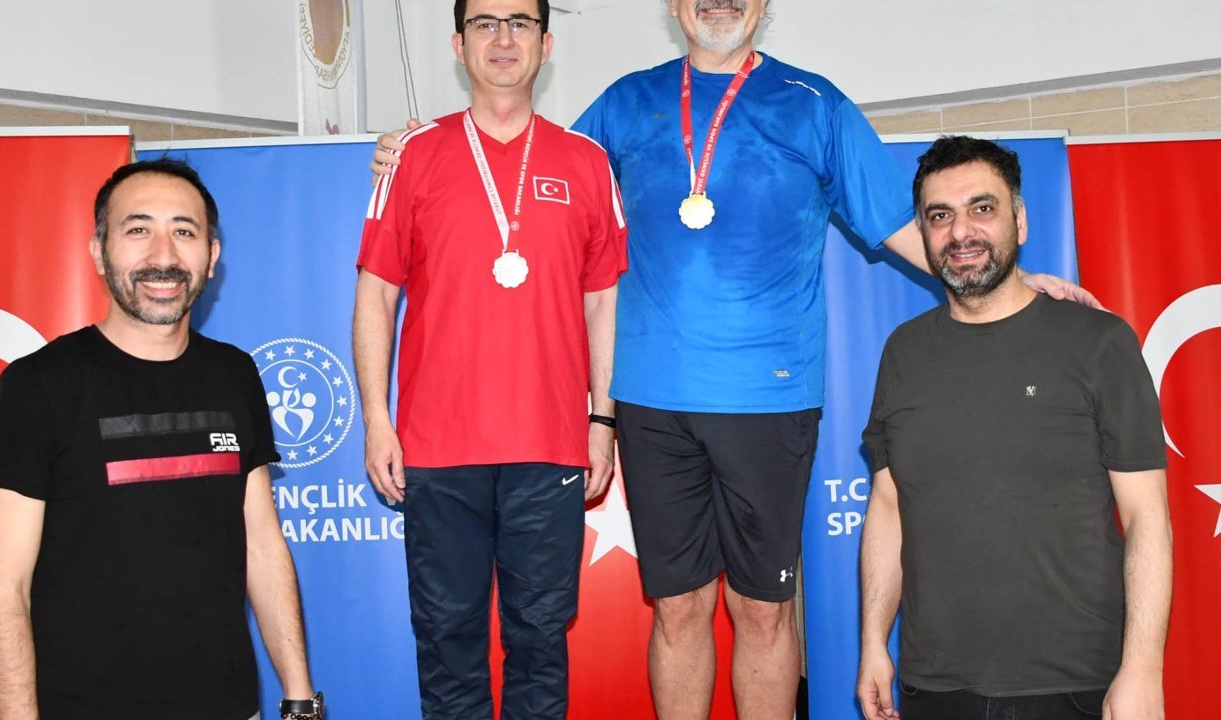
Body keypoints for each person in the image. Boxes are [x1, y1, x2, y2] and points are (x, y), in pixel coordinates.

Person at [369, 2, 1096, 717]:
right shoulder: (625, 103)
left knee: (764, 610)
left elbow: (899, 222)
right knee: (678, 607)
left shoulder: (815, 104)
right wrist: (409, 149)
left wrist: (1008, 280)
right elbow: (526, 171)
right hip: (650, 400)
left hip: (770, 399)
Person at [351, 1, 627, 718]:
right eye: (484, 23)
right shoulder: (413, 155)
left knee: (540, 642)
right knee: (447, 642)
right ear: (458, 44)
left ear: (546, 43)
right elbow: (377, 292)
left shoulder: (586, 160)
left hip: (549, 443)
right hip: (438, 447)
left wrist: (603, 420)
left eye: (519, 23)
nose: (503, 38)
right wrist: (377, 420)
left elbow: (604, 302)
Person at [0, 159, 321, 720]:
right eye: (138, 229)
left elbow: (262, 544)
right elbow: (4, 592)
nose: (164, 255)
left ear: (211, 255)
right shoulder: (35, 386)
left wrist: (300, 699)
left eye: (184, 231)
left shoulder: (234, 375)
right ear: (99, 252)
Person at [857, 136, 1172, 720]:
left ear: (1019, 221)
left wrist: (1143, 669)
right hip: (935, 687)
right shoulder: (903, 352)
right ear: (924, 235)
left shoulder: (1099, 342)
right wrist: (874, 642)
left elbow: (1146, 517)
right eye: (940, 216)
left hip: (1076, 685)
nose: (961, 231)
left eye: (982, 208)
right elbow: (888, 506)